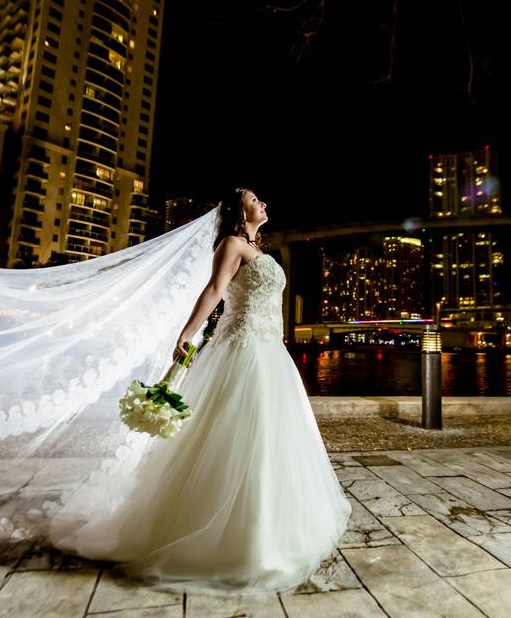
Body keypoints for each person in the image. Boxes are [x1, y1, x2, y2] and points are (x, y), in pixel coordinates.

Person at [48, 188, 352, 596]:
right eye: (254, 198)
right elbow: (214, 290)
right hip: (242, 349)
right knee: (236, 437)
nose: (264, 202)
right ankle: (228, 540)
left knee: (270, 440)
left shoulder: (255, 248)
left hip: (268, 352)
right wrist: (188, 333)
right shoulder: (230, 243)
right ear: (238, 210)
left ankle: (270, 526)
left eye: (263, 197)